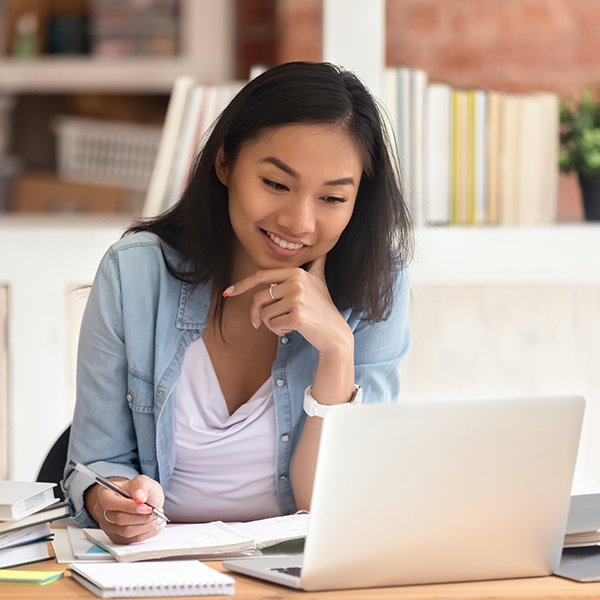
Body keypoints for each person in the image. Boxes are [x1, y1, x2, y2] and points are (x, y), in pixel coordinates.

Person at [62, 61, 413, 545]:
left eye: (332, 198)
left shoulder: (378, 284)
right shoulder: (135, 274)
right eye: (276, 184)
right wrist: (115, 501)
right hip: (159, 572)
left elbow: (334, 506)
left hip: (293, 572)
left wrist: (338, 351)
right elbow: (95, 462)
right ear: (224, 163)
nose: (299, 222)